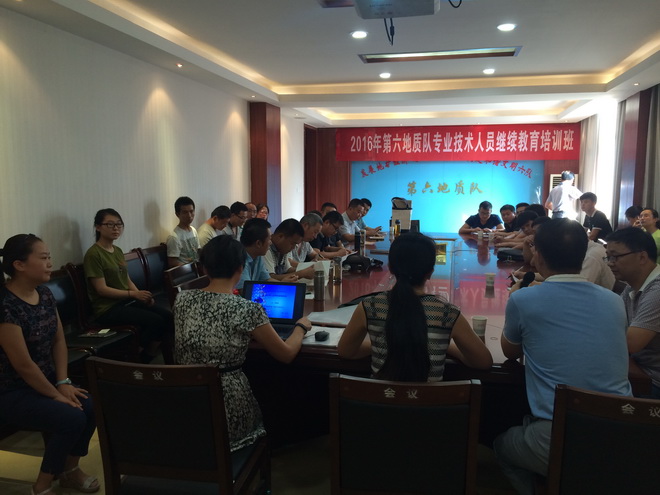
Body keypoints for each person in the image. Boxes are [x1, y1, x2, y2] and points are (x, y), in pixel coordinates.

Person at [494, 219, 631, 495]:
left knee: (501, 446)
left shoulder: (524, 299)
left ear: (539, 256)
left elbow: (510, 352)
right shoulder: (614, 301)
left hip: (556, 435)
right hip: (623, 432)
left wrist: (516, 299)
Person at [174, 235, 311, 452]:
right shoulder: (248, 309)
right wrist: (300, 327)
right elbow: (286, 354)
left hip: (186, 402)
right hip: (228, 407)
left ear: (205, 268)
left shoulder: (182, 300)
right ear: (240, 268)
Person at [0, 234, 99, 495]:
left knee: (90, 406)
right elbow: (23, 364)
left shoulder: (44, 293)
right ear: (19, 265)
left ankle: (70, 470)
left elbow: (58, 340)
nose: (49, 263)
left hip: (46, 379)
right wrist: (56, 395)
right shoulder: (6, 305)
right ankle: (42, 485)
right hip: (12, 389)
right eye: (43, 258)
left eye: (49, 257)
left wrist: (63, 382)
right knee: (71, 417)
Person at [337, 232, 492, 380]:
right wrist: (446, 346)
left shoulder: (370, 306)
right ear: (430, 272)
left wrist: (387, 344)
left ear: (390, 268)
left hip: (381, 398)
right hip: (429, 399)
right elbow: (483, 362)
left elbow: (346, 351)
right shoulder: (447, 314)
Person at [84, 209, 172, 363]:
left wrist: (142, 296)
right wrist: (133, 295)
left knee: (168, 317)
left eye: (119, 224)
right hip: (108, 309)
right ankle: (136, 358)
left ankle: (146, 355)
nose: (116, 228)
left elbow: (126, 279)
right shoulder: (93, 254)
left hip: (125, 302)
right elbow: (101, 289)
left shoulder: (117, 251)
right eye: (110, 224)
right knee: (156, 321)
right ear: (98, 227)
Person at [605, 228, 660, 398]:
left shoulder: (657, 291)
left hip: (652, 380)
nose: (610, 263)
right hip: (637, 368)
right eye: (608, 257)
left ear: (642, 257)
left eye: (615, 257)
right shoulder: (632, 286)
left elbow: (630, 343)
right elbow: (612, 319)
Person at [236, 218, 288, 290]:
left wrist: (284, 285)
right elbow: (244, 290)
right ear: (258, 243)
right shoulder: (239, 258)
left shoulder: (258, 256)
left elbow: (267, 279)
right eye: (269, 239)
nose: (271, 243)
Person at [165, 196, 200, 268]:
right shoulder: (174, 237)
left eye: (191, 211)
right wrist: (190, 268)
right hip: (186, 272)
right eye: (185, 212)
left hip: (197, 269)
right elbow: (172, 262)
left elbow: (198, 251)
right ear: (177, 214)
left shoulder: (193, 230)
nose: (189, 215)